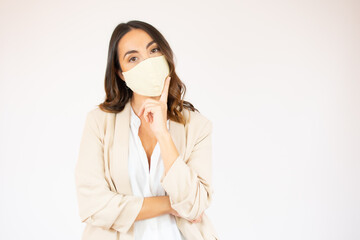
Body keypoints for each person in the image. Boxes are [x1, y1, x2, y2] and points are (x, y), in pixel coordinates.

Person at [74, 20, 219, 240]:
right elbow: (93, 206)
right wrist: (169, 204)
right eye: (133, 58)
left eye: (154, 50)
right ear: (121, 73)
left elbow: (195, 205)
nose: (148, 62)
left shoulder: (197, 126)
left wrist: (163, 134)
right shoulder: (99, 122)